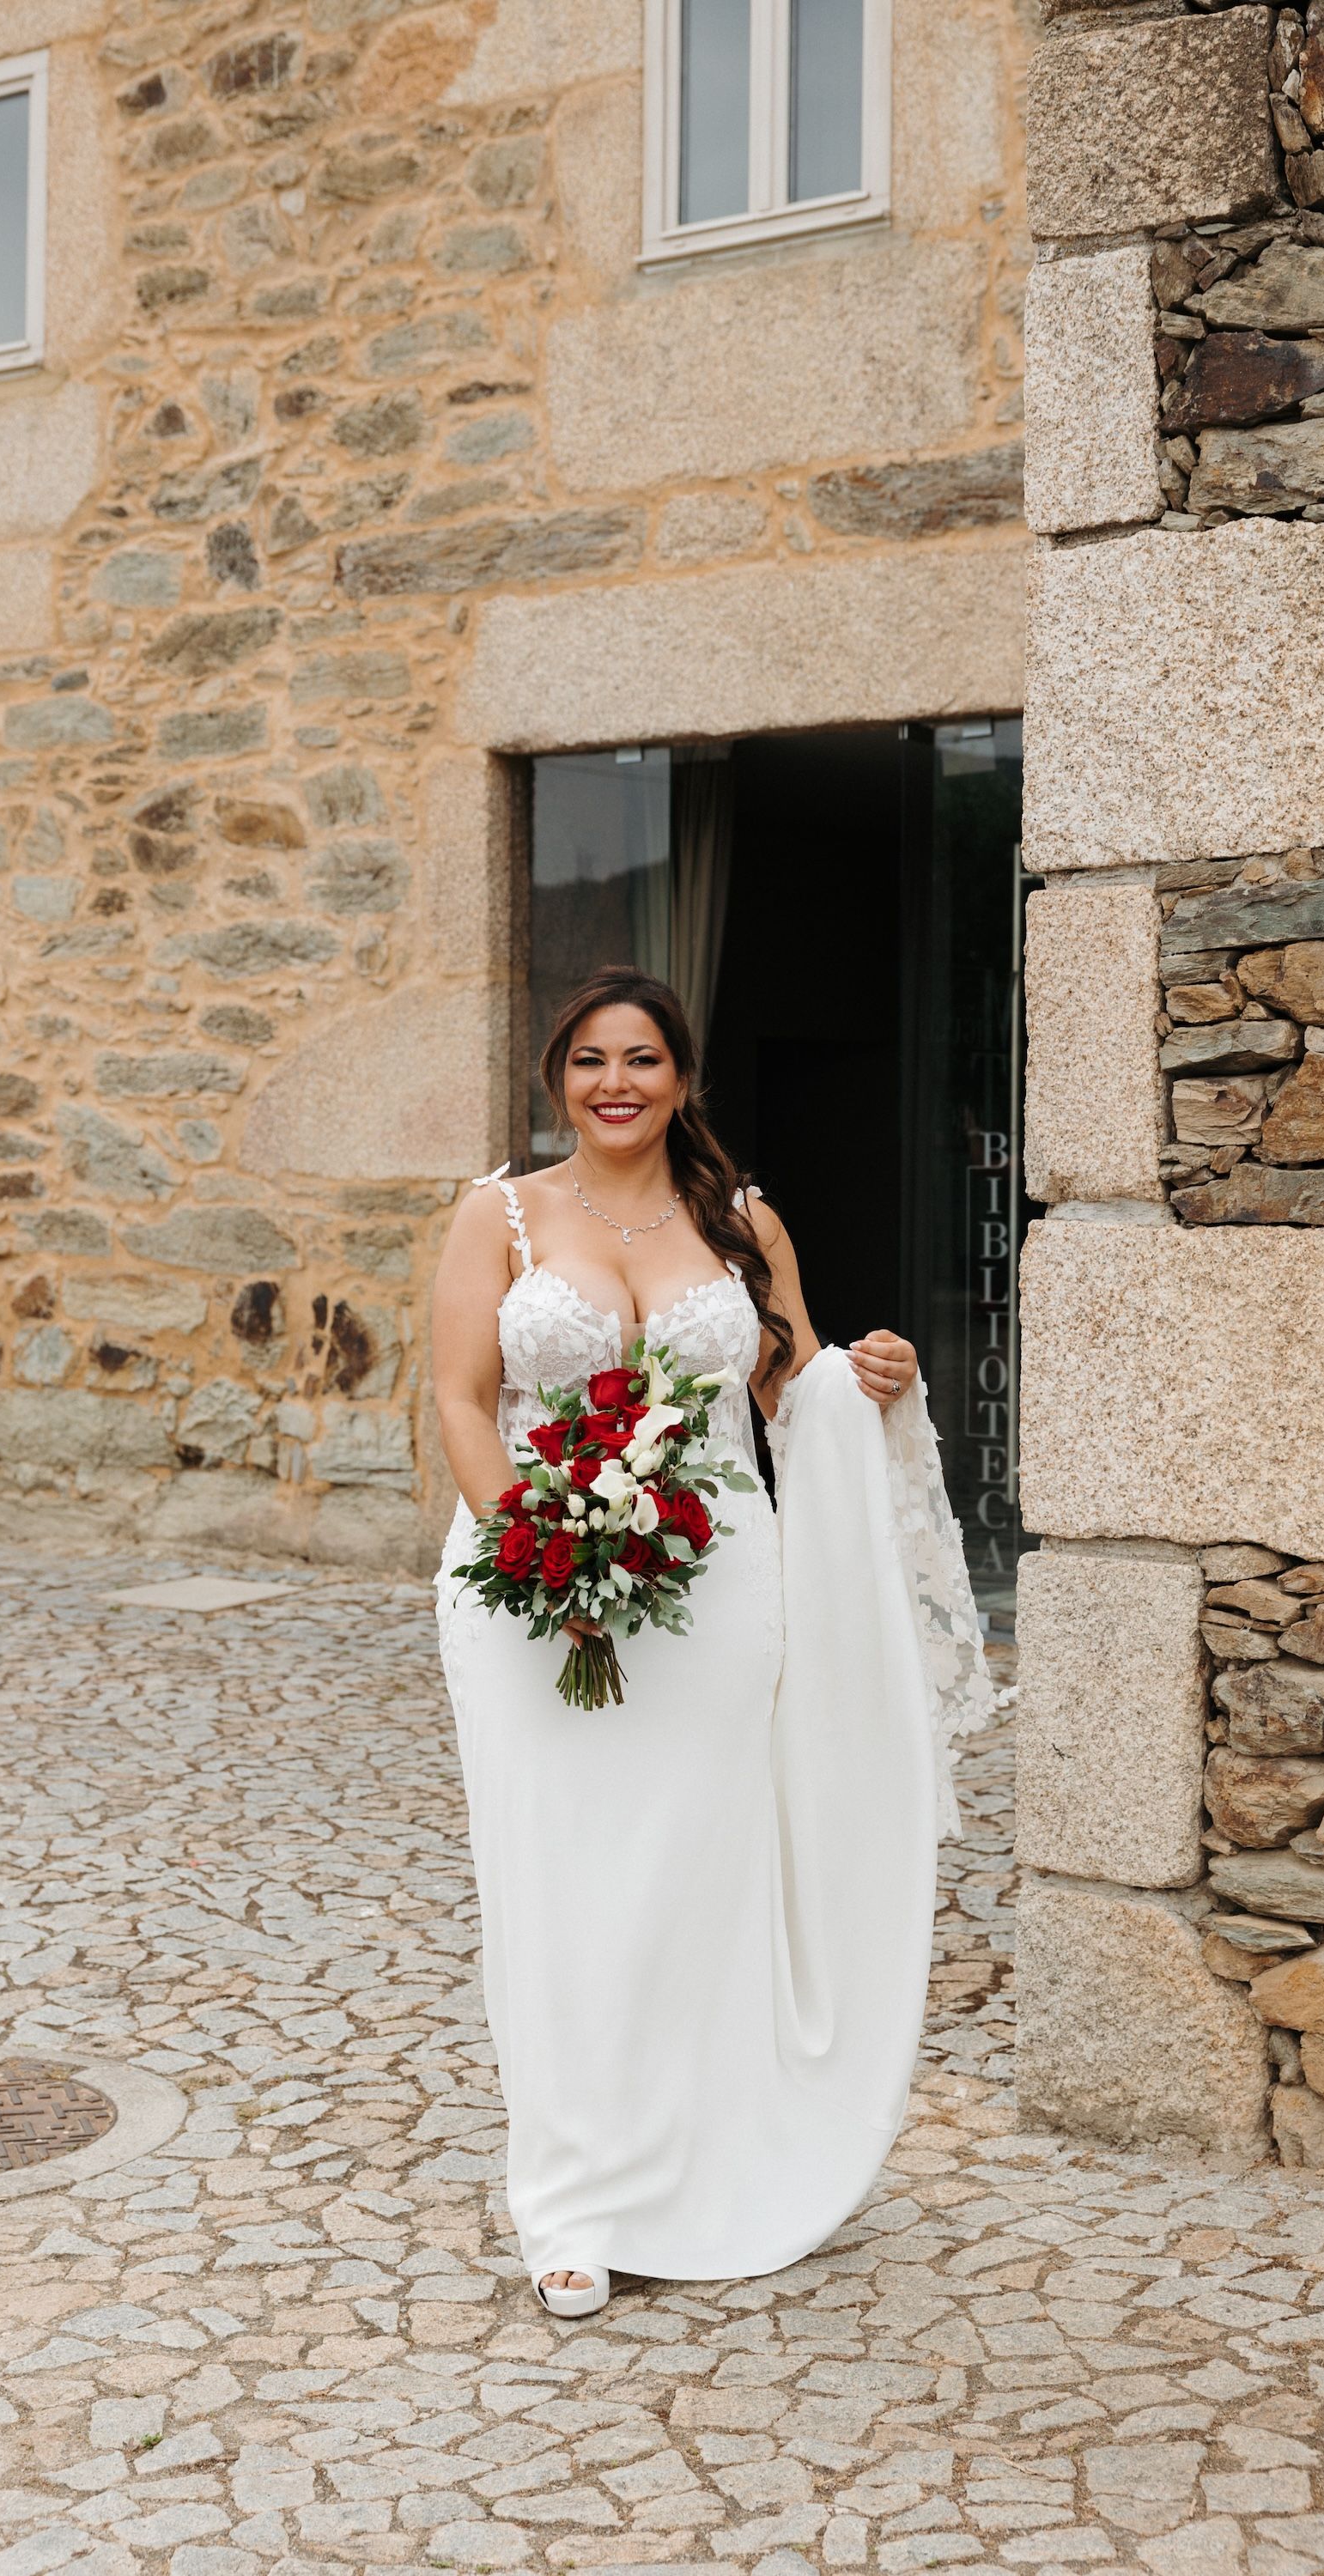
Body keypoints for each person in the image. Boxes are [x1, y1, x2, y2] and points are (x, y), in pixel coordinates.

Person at [432, 965, 991, 2318]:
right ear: (556, 1078)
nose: (614, 1084)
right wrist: (537, 1550)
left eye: (642, 1060)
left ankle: (701, 2162)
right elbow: (459, 1400)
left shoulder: (739, 1219)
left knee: (692, 1874)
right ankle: (568, 2199)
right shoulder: (496, 1213)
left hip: (717, 1582)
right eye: (587, 1062)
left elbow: (789, 1385)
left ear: (681, 1078)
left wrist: (871, 1385)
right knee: (554, 1877)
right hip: (525, 1585)